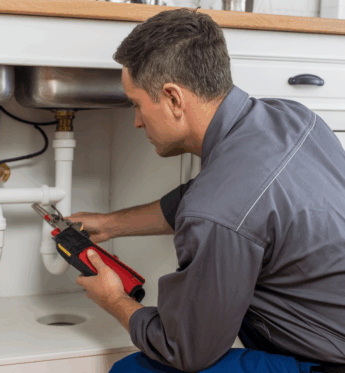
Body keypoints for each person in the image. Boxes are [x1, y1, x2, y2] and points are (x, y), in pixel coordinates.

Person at [68, 8, 345, 373]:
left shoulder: (218, 207)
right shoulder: (292, 116)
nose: (136, 121)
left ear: (173, 98)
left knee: (131, 371)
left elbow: (184, 351)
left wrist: (115, 299)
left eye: (137, 104)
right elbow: (212, 199)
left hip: (327, 364)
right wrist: (111, 224)